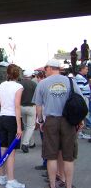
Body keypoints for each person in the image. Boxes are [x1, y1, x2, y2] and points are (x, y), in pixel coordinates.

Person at [33, 59, 83, 188]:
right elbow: (80, 101)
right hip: (68, 121)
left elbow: (38, 106)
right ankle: (68, 185)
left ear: (50, 68)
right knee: (68, 156)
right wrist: (80, 120)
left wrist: (40, 121)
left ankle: (53, 185)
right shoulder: (70, 82)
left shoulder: (42, 83)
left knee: (51, 156)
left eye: (46, 68)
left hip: (51, 121)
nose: (45, 71)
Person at [0, 64, 25, 188]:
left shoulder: (1, 85)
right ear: (18, 74)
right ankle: (11, 181)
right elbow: (17, 106)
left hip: (1, 118)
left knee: (2, 148)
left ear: (7, 73)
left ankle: (2, 177)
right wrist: (19, 127)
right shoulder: (19, 87)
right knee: (11, 151)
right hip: (12, 119)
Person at [19, 71, 37, 153]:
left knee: (27, 126)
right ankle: (25, 143)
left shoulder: (19, 84)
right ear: (30, 76)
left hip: (21, 107)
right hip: (31, 107)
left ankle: (32, 143)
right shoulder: (34, 84)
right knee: (31, 126)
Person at [74, 64, 91, 138]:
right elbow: (80, 89)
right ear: (82, 69)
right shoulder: (80, 77)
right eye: (86, 69)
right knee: (83, 114)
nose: (87, 70)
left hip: (84, 98)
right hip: (83, 98)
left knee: (84, 114)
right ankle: (80, 132)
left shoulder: (80, 77)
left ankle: (80, 131)